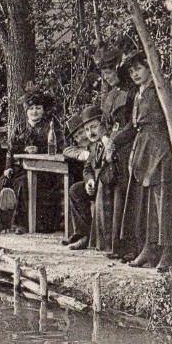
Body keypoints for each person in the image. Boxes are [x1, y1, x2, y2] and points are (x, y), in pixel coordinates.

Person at [117, 51, 172, 271]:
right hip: (143, 148)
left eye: (139, 68)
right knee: (145, 203)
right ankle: (148, 247)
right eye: (132, 70)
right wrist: (113, 142)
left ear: (149, 67)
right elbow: (134, 126)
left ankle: (167, 251)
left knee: (162, 202)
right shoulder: (138, 93)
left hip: (160, 147)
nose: (135, 73)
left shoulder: (161, 90)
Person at [0, 91, 65, 234]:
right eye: (31, 108)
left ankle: (23, 225)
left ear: (43, 110)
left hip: (45, 171)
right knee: (3, 182)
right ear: (26, 111)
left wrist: (40, 149)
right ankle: (4, 223)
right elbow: (10, 151)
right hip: (19, 168)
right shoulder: (19, 128)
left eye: (38, 108)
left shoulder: (51, 127)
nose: (34, 112)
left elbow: (59, 148)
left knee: (26, 183)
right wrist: (8, 167)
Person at [97, 47, 136, 257]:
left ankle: (127, 247)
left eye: (110, 71)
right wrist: (104, 138)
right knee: (110, 195)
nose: (106, 76)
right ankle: (112, 246)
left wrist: (114, 141)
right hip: (110, 148)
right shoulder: (109, 95)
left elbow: (133, 124)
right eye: (103, 72)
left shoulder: (132, 92)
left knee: (125, 195)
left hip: (127, 147)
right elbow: (103, 123)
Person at [63, 107, 109, 251]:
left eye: (92, 128)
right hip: (97, 184)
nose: (82, 137)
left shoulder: (106, 141)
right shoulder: (91, 146)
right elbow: (87, 168)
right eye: (86, 130)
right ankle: (83, 234)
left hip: (109, 184)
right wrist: (89, 181)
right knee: (75, 190)